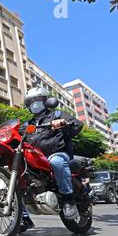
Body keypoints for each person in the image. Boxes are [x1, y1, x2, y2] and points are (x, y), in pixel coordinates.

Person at [23, 87, 83, 226]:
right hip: (36, 159)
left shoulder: (57, 114)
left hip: (56, 153)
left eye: (37, 100)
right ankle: (23, 217)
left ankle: (68, 200)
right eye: (31, 102)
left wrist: (63, 123)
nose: (34, 104)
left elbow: (77, 125)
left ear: (46, 101)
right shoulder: (27, 124)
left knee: (56, 161)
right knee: (19, 172)